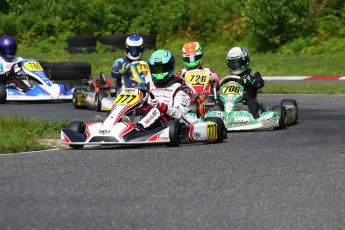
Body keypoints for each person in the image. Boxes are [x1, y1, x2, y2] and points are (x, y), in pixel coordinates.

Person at [136, 49, 190, 130]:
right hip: (147, 118)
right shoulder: (150, 85)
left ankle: (137, 129)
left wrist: (161, 106)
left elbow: (180, 113)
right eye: (155, 69)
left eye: (162, 69)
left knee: (155, 111)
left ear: (170, 67)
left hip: (167, 124)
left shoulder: (179, 88)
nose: (159, 73)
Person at [225, 46, 264, 118]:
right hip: (230, 103)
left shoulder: (252, 75)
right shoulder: (228, 79)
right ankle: (215, 115)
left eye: (238, 63)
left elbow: (260, 83)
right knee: (218, 103)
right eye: (232, 64)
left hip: (246, 103)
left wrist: (246, 81)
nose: (235, 66)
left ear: (245, 61)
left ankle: (252, 117)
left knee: (252, 103)